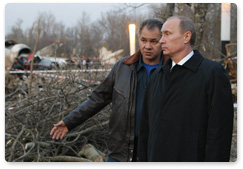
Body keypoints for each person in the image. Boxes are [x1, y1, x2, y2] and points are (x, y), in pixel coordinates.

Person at [50, 19, 168, 162]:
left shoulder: (171, 72)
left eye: (153, 41)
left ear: (162, 41)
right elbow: (97, 99)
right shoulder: (123, 68)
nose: (147, 46)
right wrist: (70, 121)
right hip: (121, 152)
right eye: (143, 40)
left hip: (156, 153)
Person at [138, 16, 234, 162]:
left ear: (186, 36)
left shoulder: (212, 74)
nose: (162, 40)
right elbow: (146, 129)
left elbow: (219, 134)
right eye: (161, 35)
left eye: (167, 34)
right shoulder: (157, 76)